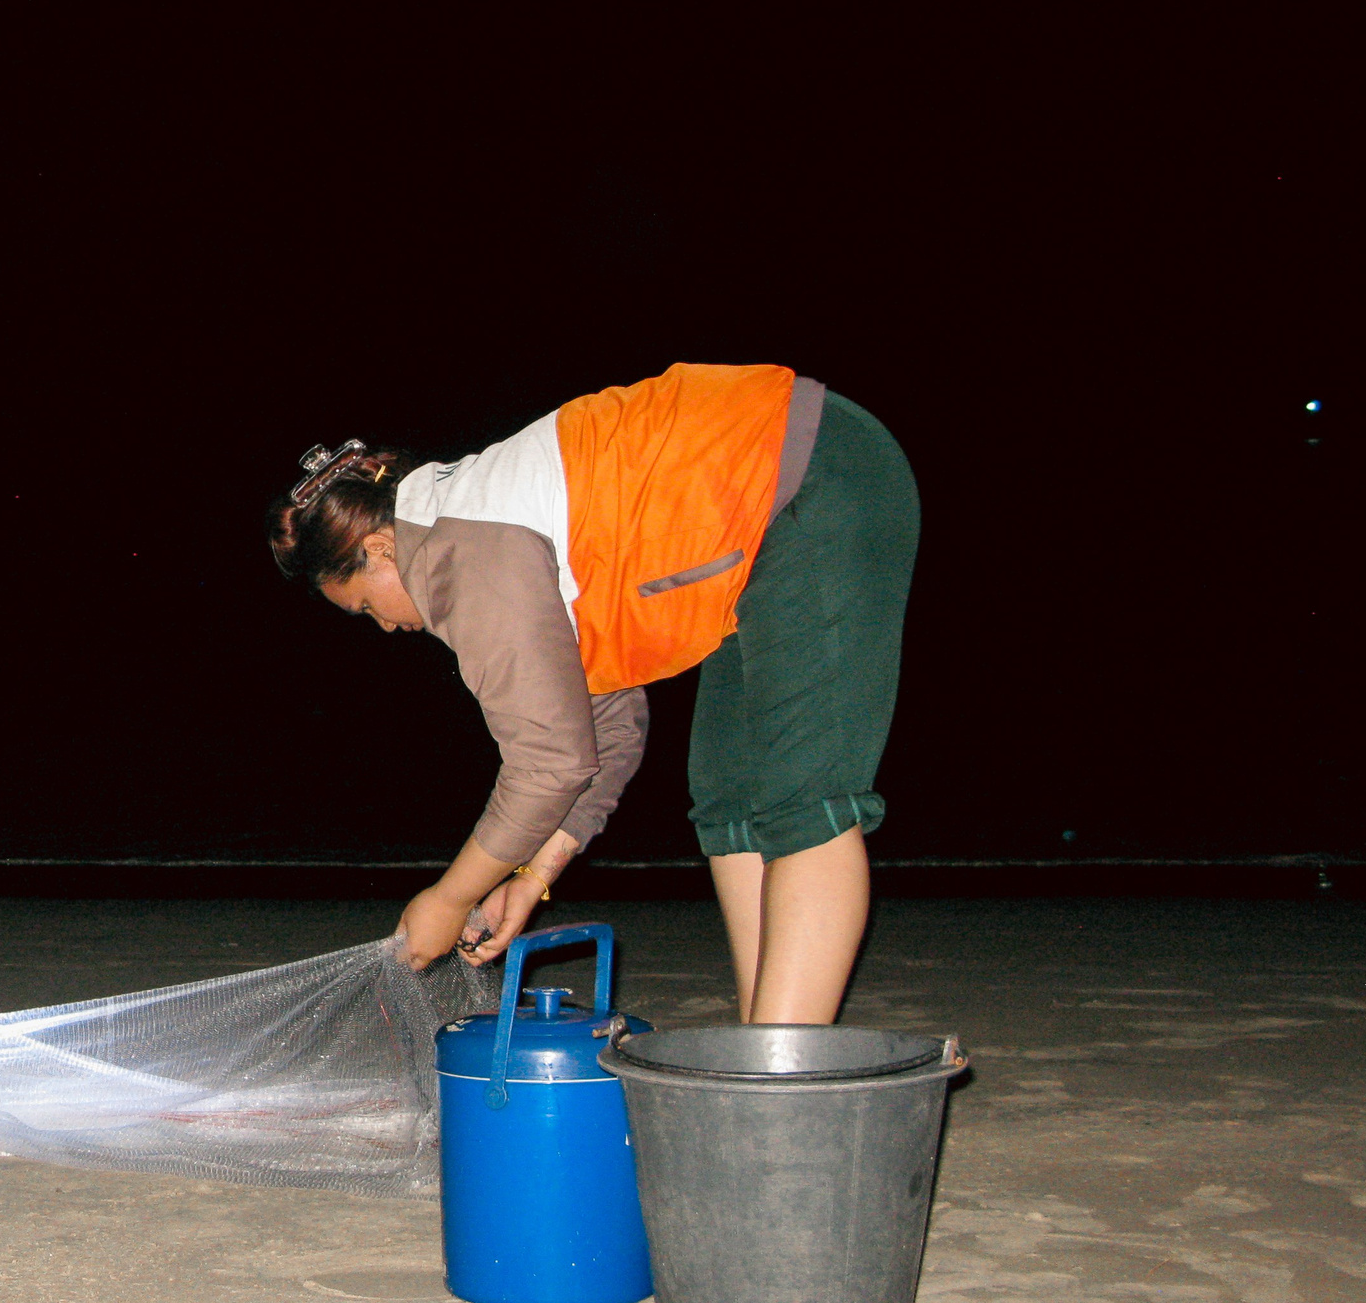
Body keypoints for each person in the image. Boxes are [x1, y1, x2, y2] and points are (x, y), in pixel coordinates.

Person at [266, 363, 918, 1025]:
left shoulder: (460, 548)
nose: (386, 627)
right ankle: (761, 1045)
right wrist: (532, 878)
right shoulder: (478, 527)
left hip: (810, 471)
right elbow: (603, 731)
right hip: (749, 535)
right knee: (732, 797)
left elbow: (548, 763)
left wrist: (450, 898)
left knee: (801, 797)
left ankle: (782, 1074)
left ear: (380, 548)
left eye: (365, 609)